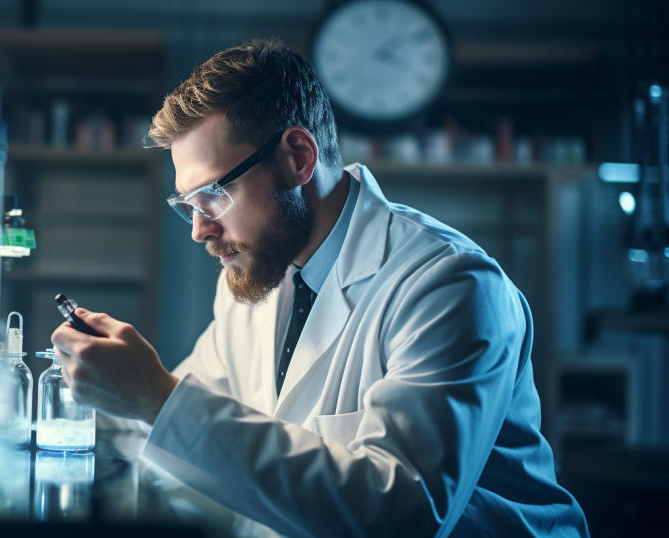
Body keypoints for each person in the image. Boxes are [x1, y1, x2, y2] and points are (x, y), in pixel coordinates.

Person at [50, 39, 589, 537]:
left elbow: (401, 513)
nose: (199, 229)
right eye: (187, 205)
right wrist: (103, 415)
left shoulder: (451, 286)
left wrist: (154, 397)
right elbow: (190, 451)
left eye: (213, 194)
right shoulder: (252, 276)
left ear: (299, 157)